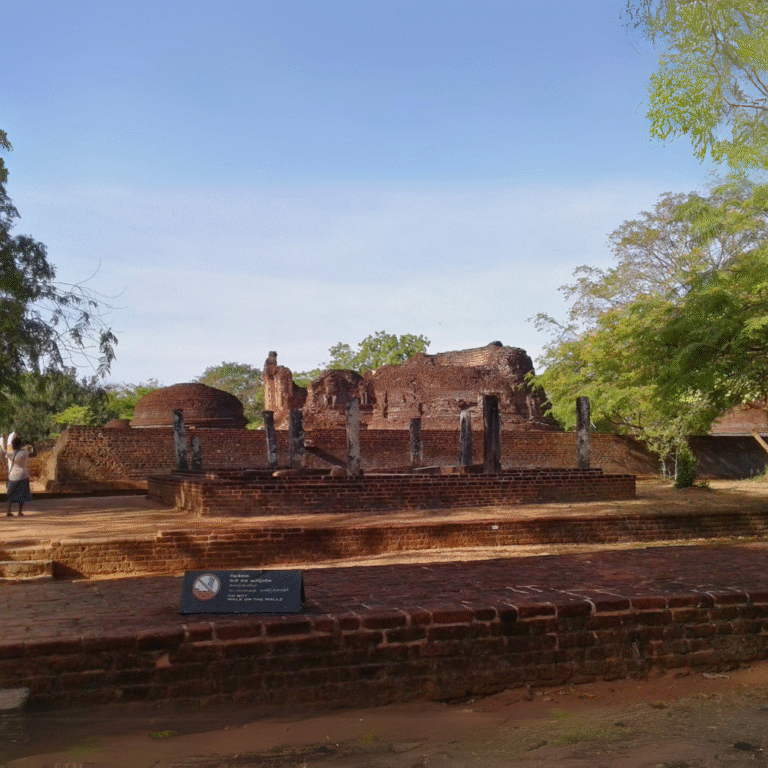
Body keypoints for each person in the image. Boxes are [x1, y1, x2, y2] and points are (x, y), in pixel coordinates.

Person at [5, 435, 33, 517]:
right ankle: (20, 512)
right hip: (23, 475)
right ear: (20, 445)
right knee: (22, 494)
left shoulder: (9, 453)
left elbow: (7, 451)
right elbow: (34, 453)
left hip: (12, 476)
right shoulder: (23, 453)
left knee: (10, 494)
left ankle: (8, 511)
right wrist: (31, 445)